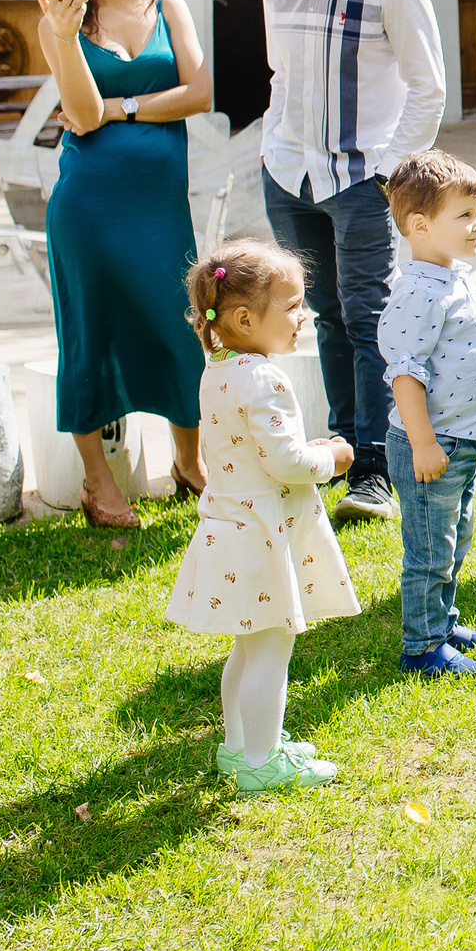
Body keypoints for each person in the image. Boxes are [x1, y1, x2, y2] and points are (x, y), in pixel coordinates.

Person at [251, 0, 446, 526]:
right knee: (323, 316)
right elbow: (281, 71)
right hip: (288, 172)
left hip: (362, 177)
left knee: (369, 317)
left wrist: (390, 171)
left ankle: (375, 466)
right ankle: (341, 448)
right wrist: (270, 142)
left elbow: (430, 87)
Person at [34, 0, 213, 528]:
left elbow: (201, 93)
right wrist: (63, 37)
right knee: (90, 336)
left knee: (178, 327)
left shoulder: (169, 5)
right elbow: (80, 117)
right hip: (89, 207)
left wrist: (127, 108)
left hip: (160, 205)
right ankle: (97, 482)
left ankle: (189, 464)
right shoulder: (61, 22)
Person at [167, 240, 359, 794]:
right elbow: (286, 461)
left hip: (232, 528)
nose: (305, 316)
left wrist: (303, 447)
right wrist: (333, 457)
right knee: (273, 650)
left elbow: (256, 450)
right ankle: (262, 760)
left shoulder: (219, 370)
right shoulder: (265, 378)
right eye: (294, 306)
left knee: (247, 647)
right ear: (246, 318)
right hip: (262, 537)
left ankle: (238, 746)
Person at [378, 150, 476, 677]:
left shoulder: (451, 278)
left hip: (460, 440)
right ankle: (422, 647)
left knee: (453, 539)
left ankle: (443, 622)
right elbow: (406, 373)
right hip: (433, 443)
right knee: (430, 549)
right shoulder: (417, 291)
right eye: (464, 216)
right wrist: (424, 442)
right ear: (420, 225)